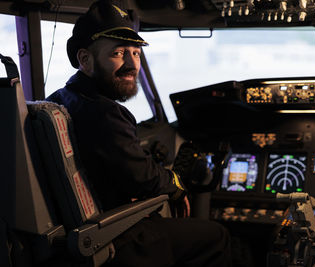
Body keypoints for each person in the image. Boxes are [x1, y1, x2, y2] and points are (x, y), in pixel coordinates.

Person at [46, 0, 232, 266]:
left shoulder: (60, 99)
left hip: (79, 235)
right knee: (218, 236)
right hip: (117, 238)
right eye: (119, 53)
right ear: (85, 59)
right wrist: (175, 185)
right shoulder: (104, 112)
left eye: (136, 53)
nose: (132, 64)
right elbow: (142, 178)